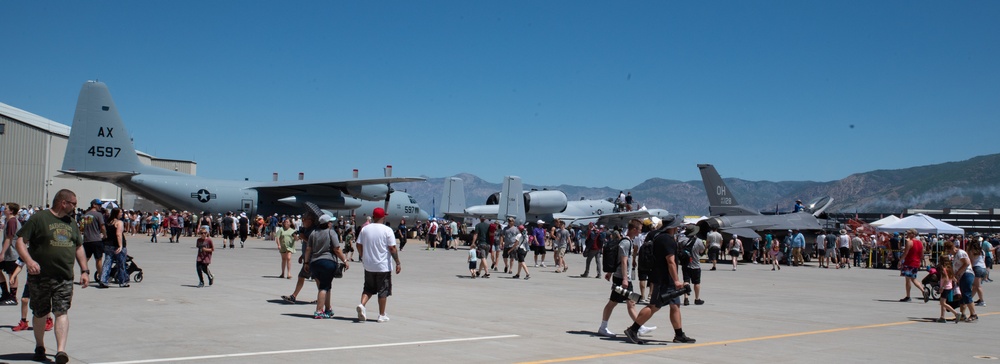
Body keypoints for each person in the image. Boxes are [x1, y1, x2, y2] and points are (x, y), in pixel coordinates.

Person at [15, 189, 89, 363]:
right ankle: (40, 346)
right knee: (40, 312)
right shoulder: (39, 218)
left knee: (61, 311)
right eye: (73, 204)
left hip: (64, 277)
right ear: (63, 203)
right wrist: (29, 261)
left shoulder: (72, 223)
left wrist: (85, 270)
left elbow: (78, 247)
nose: (75, 207)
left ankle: (61, 351)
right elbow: (20, 241)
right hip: (40, 277)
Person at [623, 215, 695, 345]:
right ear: (672, 227)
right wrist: (677, 281)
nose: (678, 228)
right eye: (676, 225)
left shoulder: (658, 236)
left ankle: (679, 334)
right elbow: (670, 261)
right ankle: (633, 330)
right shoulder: (667, 240)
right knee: (654, 306)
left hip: (663, 278)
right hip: (663, 280)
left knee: (675, 305)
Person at [597, 219, 655, 338]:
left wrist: (610, 272)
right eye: (639, 230)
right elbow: (623, 261)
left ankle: (639, 327)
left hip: (622, 278)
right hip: (622, 279)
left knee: (631, 303)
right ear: (634, 229)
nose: (640, 232)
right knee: (613, 303)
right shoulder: (626, 243)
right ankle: (603, 327)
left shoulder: (627, 241)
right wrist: (624, 279)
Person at [355, 208, 401, 323]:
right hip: (383, 266)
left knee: (368, 288)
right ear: (384, 217)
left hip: (369, 265)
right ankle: (381, 314)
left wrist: (362, 255)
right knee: (383, 290)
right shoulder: (387, 230)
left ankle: (362, 305)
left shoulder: (365, 229)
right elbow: (392, 248)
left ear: (373, 216)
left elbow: (358, 244)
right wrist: (397, 262)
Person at [303, 214, 348, 319]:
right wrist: (345, 260)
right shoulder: (331, 232)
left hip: (314, 262)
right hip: (328, 262)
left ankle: (328, 309)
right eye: (330, 222)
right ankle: (319, 311)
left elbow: (308, 249)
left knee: (326, 286)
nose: (331, 223)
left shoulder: (313, 233)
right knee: (323, 287)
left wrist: (306, 262)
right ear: (327, 224)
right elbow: (337, 249)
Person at [282, 213, 316, 303]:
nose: (303, 221)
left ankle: (294, 296)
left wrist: (302, 237)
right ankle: (322, 298)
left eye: (305, 220)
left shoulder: (313, 231)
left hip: (311, 258)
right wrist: (302, 255)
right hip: (308, 257)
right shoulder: (307, 230)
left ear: (310, 221)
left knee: (302, 276)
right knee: (316, 279)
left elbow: (312, 244)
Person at [946, 240, 977, 322]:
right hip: (961, 276)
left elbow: (966, 263)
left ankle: (973, 314)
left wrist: (957, 273)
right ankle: (962, 314)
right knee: (962, 296)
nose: (949, 253)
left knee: (966, 294)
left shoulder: (960, 253)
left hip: (966, 274)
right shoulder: (955, 255)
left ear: (952, 248)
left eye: (949, 251)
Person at [98, 208, 128, 288]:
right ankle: (123, 281)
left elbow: (103, 232)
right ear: (117, 213)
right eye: (120, 212)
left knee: (107, 263)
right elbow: (118, 234)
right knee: (121, 263)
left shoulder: (108, 222)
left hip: (108, 245)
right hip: (116, 245)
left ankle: (103, 280)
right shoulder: (119, 222)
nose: (122, 214)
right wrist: (120, 245)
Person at [1, 202, 22, 305]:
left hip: (13, 253)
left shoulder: (12, 221)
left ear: (11, 211)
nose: (4, 210)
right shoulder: (8, 220)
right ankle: (5, 294)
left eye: (6, 208)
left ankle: (13, 298)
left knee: (12, 274)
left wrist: (2, 253)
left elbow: (9, 239)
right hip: (8, 253)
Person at [80, 199, 106, 283]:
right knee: (98, 259)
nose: (100, 206)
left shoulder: (85, 215)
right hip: (96, 240)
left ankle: (83, 276)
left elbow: (81, 228)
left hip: (87, 240)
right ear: (94, 205)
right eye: (99, 205)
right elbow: (102, 226)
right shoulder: (98, 214)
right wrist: (105, 235)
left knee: (85, 260)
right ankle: (101, 277)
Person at [680, 225, 706, 305]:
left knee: (686, 281)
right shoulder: (699, 241)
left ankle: (686, 298)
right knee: (696, 283)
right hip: (695, 264)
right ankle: (697, 299)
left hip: (685, 264)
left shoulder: (682, 240)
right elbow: (702, 251)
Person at [898, 229, 925, 302]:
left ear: (913, 234)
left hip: (909, 262)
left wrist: (900, 261)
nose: (907, 235)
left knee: (908, 280)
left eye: (909, 233)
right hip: (916, 263)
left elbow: (905, 253)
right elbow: (922, 254)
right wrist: (920, 262)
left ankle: (908, 296)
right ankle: (923, 290)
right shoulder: (920, 243)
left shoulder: (909, 242)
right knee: (913, 279)